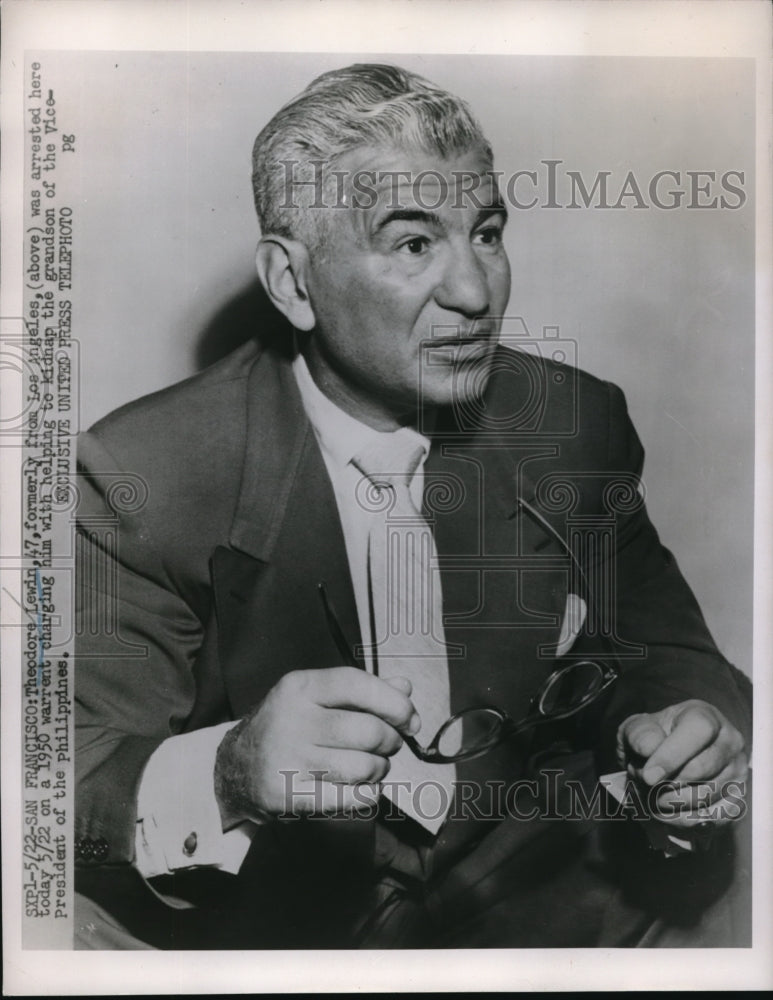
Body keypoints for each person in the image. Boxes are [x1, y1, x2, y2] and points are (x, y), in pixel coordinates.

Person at [73, 63, 751, 950]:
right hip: (279, 932)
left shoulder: (575, 426)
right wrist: (229, 774)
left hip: (551, 895)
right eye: (412, 244)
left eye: (488, 233)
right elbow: (63, 774)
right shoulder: (144, 472)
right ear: (292, 283)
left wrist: (684, 731)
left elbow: (666, 652)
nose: (475, 294)